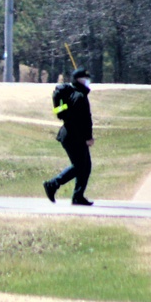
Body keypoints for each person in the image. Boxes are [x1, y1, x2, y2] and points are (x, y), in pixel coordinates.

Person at [43, 67, 95, 206]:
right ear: (78, 80)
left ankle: (78, 196)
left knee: (86, 166)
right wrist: (88, 137)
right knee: (79, 166)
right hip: (73, 136)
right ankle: (53, 184)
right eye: (84, 79)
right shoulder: (79, 97)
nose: (87, 82)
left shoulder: (76, 94)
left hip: (71, 134)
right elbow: (84, 120)